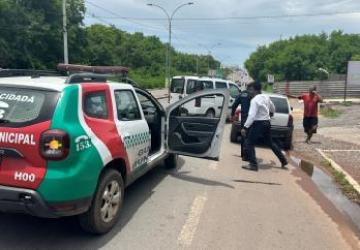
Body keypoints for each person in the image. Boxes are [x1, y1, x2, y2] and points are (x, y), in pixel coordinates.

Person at [241, 82, 288, 171]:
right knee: (270, 143)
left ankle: (253, 165)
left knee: (249, 143)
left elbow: (251, 115)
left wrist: (245, 127)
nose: (249, 92)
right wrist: (271, 113)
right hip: (267, 123)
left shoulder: (254, 100)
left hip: (258, 123)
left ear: (255, 90)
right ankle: (283, 160)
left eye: (250, 90)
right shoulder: (266, 97)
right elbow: (273, 107)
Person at [231, 83, 255, 161]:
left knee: (243, 136)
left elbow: (234, 105)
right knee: (249, 137)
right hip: (251, 119)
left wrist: (232, 115)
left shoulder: (241, 94)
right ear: (251, 88)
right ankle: (247, 155)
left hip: (243, 119)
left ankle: (243, 154)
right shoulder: (252, 95)